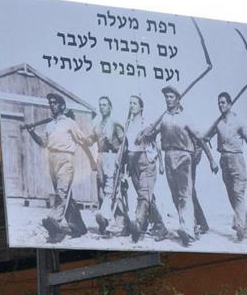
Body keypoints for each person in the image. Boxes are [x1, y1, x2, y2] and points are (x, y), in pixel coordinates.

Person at [138, 85, 217, 246]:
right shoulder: (164, 118)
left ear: (178, 99)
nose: (168, 100)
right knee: (176, 196)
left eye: (171, 97)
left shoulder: (186, 117)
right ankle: (190, 227)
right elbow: (152, 135)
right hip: (168, 157)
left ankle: (187, 231)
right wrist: (145, 133)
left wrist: (211, 160)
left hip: (184, 157)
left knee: (185, 195)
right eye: (166, 97)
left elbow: (200, 139)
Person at [23, 93, 97, 242]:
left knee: (62, 192)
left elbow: (83, 140)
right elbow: (43, 143)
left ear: (62, 106)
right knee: (65, 196)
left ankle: (54, 219)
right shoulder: (50, 125)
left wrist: (92, 159)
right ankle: (78, 227)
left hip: (66, 159)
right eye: (50, 102)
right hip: (52, 159)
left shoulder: (70, 123)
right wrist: (32, 133)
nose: (52, 105)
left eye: (55, 102)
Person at [202, 91, 247, 242]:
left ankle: (239, 226)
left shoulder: (238, 122)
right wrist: (204, 139)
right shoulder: (218, 123)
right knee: (232, 196)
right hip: (224, 160)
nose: (221, 105)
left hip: (237, 159)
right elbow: (205, 138)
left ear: (230, 104)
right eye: (219, 103)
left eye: (223, 102)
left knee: (238, 193)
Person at [119, 95, 171, 242]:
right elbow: (125, 146)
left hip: (146, 160)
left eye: (135, 103)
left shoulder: (147, 123)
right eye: (130, 103)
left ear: (141, 107)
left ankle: (139, 223)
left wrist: (160, 163)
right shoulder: (128, 123)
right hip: (132, 162)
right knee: (146, 197)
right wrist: (124, 166)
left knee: (144, 196)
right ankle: (160, 227)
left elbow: (156, 140)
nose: (132, 105)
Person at [90, 96, 129, 236]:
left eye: (105, 105)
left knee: (111, 190)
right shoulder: (98, 125)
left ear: (110, 107)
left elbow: (124, 145)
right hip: (100, 157)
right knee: (101, 189)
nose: (102, 107)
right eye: (100, 105)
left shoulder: (115, 124)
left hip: (112, 158)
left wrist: (121, 163)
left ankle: (116, 220)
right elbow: (90, 140)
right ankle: (109, 222)